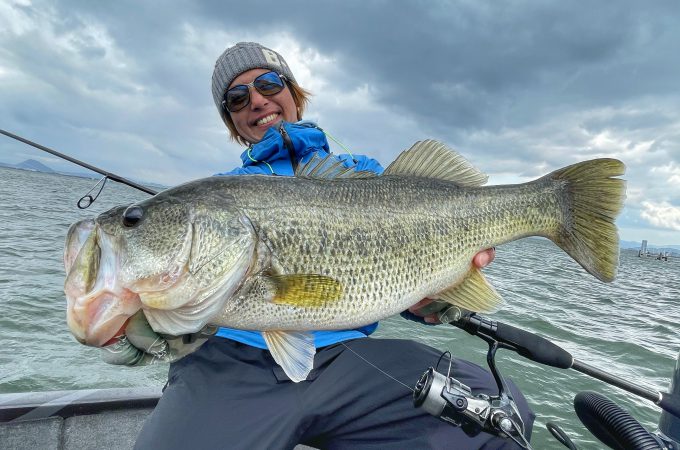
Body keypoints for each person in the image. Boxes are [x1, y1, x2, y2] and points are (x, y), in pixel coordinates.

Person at [131, 42, 534, 449]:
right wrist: (152, 325)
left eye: (268, 83)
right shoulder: (216, 194)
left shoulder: (366, 175)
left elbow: (398, 288)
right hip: (230, 362)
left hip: (348, 359)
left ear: (294, 93)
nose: (256, 100)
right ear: (232, 121)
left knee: (502, 419)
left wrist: (435, 299)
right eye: (237, 98)